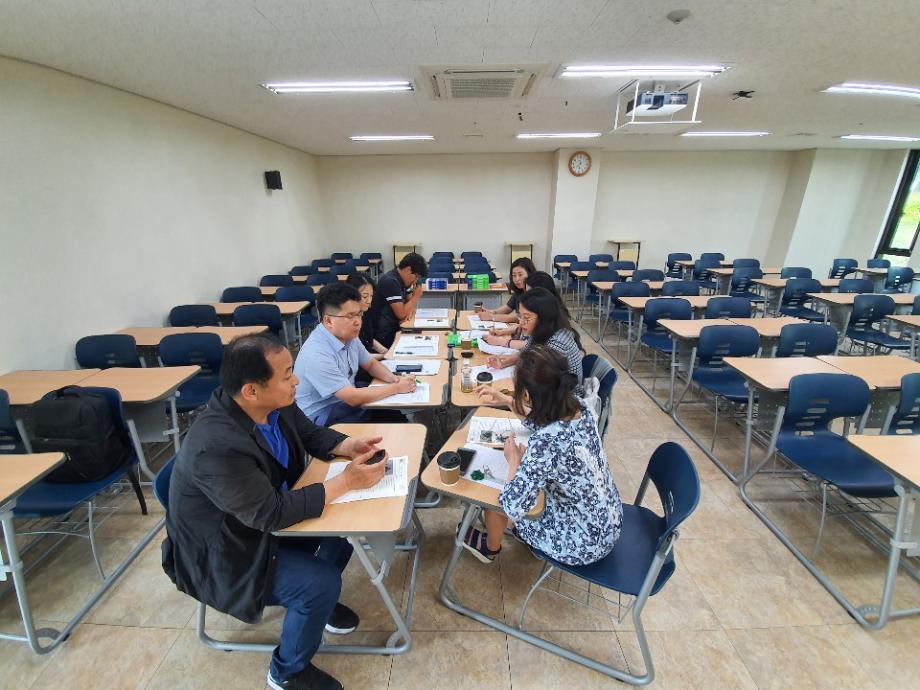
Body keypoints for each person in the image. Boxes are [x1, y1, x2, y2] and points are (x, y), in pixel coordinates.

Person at [162, 333, 387, 690]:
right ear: (251, 390)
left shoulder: (274, 404)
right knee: (320, 583)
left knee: (342, 533)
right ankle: (286, 672)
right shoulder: (217, 446)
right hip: (228, 553)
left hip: (255, 524)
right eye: (286, 375)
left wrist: (348, 445)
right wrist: (346, 482)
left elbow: (310, 434)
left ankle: (318, 608)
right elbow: (271, 514)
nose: (296, 381)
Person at [462, 346, 623, 564]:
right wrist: (507, 400)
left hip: (582, 543)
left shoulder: (547, 442)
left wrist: (514, 461)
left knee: (494, 501)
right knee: (526, 489)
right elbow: (542, 424)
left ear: (526, 395)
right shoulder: (581, 407)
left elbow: (513, 505)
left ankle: (490, 548)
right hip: (608, 521)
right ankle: (514, 532)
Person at [295, 282, 416, 425]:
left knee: (394, 416)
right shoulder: (317, 354)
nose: (358, 322)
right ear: (328, 320)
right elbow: (352, 398)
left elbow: (370, 364)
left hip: (343, 403)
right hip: (323, 418)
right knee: (391, 422)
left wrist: (395, 379)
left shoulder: (349, 336)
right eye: (350, 316)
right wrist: (396, 388)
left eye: (359, 314)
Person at [478, 287, 585, 404]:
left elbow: (541, 391)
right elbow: (526, 352)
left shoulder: (556, 346)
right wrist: (503, 363)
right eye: (520, 316)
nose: (521, 323)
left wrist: (508, 398)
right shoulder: (543, 330)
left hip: (564, 403)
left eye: (527, 318)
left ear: (544, 317)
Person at [370, 252, 429, 349]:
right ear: (408, 270)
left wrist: (409, 307)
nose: (415, 280)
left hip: (396, 328)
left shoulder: (402, 280)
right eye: (416, 276)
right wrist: (416, 297)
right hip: (384, 336)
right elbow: (401, 314)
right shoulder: (390, 281)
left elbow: (409, 308)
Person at [478, 257, 536, 324]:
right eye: (514, 275)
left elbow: (518, 317)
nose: (516, 279)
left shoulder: (535, 293)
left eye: (520, 275)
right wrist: (493, 312)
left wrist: (492, 317)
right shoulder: (519, 291)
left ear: (530, 274)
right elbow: (508, 308)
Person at [346, 272, 388, 358]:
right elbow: (358, 357)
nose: (369, 301)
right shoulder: (345, 319)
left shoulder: (365, 311)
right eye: (365, 297)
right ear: (351, 295)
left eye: (371, 296)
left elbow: (368, 339)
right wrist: (384, 356)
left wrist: (385, 351)